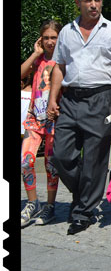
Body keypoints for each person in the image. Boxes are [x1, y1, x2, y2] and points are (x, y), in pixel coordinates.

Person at [47, 0, 111, 235]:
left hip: (99, 99)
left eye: (97, 0)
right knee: (60, 155)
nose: (93, 5)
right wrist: (53, 98)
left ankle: (83, 213)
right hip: (70, 100)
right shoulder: (66, 33)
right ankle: (85, 193)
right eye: (88, 1)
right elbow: (59, 67)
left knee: (94, 159)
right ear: (78, 3)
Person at [20, 20, 62, 227]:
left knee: (50, 165)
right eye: (46, 37)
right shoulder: (37, 61)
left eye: (53, 37)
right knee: (25, 161)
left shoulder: (62, 61)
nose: (49, 41)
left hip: (54, 121)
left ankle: (50, 206)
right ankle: (32, 202)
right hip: (34, 120)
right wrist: (35, 54)